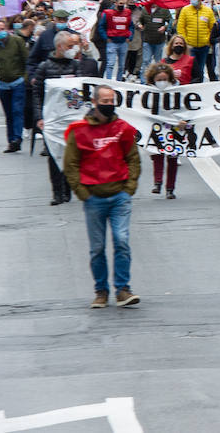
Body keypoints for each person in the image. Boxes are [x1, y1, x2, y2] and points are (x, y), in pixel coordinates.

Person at [64, 85, 141, 309]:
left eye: (112, 101)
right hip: (93, 199)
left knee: (122, 241)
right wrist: (83, 193)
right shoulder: (79, 131)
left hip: (120, 197)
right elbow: (71, 164)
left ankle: (123, 289)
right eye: (104, 101)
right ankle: (101, 291)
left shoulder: (123, 129)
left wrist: (129, 188)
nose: (109, 105)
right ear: (95, 102)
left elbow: (133, 158)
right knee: (97, 248)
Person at [32, 33, 100, 206]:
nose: (73, 49)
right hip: (52, 120)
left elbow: (80, 93)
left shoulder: (75, 66)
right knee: (54, 155)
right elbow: (37, 95)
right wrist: (39, 117)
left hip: (71, 118)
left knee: (71, 155)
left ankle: (68, 188)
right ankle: (57, 192)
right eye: (70, 46)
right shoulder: (44, 67)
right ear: (59, 47)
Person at [0, 19, 29, 153]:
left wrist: (24, 79)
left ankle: (17, 138)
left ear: (7, 28)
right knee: (8, 114)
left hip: (17, 82)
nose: (0, 32)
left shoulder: (17, 41)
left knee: (17, 110)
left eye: (2, 28)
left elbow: (27, 61)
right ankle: (11, 142)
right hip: (3, 85)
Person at [145, 63, 183, 198]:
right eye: (159, 80)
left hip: (174, 129)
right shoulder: (147, 92)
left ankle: (170, 189)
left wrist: (183, 121)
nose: (162, 82)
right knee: (157, 156)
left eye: (164, 80)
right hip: (156, 129)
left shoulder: (177, 91)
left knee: (173, 159)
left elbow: (184, 109)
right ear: (153, 80)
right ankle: (158, 182)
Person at [175, 0, 217, 82]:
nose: (192, 0)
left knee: (200, 69)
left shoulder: (208, 11)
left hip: (204, 47)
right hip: (190, 47)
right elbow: (180, 27)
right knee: (191, 69)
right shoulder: (185, 10)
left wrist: (208, 41)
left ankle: (199, 88)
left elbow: (212, 28)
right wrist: (185, 42)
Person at [101, 0, 135, 80]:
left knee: (122, 65)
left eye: (124, 4)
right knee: (110, 64)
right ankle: (109, 81)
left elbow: (131, 26)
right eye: (120, 3)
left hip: (123, 41)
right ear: (115, 3)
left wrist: (130, 37)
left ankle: (119, 81)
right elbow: (101, 27)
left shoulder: (127, 12)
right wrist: (106, 38)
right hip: (112, 41)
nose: (122, 5)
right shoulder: (107, 13)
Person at [137, 5, 171, 79]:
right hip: (147, 39)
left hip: (159, 40)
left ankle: (157, 79)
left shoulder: (164, 10)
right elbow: (140, 20)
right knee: (146, 61)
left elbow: (171, 21)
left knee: (158, 62)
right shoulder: (145, 9)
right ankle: (144, 81)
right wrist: (140, 24)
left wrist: (164, 27)